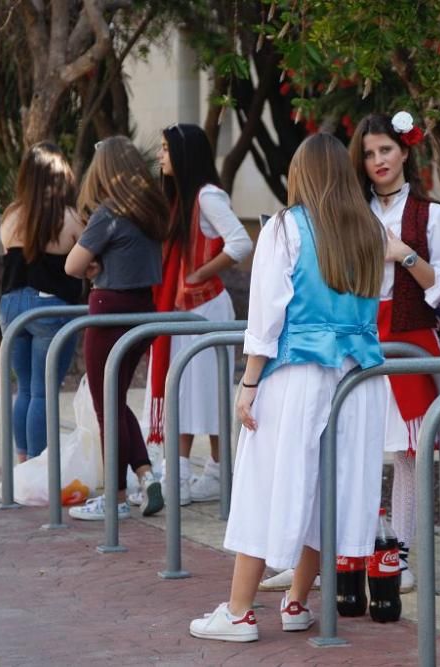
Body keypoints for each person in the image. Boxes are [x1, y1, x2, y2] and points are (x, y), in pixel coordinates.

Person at [189, 133, 387, 643]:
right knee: (328, 487)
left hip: (299, 370)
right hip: (359, 376)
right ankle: (296, 601)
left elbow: (266, 314)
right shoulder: (370, 227)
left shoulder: (285, 227)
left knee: (266, 483)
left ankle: (238, 613)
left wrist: (248, 381)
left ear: (300, 174)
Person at [257, 112, 440, 595]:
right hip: (353, 339)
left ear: (406, 151)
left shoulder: (432, 214)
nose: (378, 161)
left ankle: (398, 554)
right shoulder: (347, 211)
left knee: (407, 452)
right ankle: (324, 554)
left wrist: (404, 253)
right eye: (367, 153)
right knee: (341, 451)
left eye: (386, 149)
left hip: (408, 336)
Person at [138, 123, 253, 508]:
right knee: (188, 391)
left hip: (204, 310)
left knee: (201, 392)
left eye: (167, 150)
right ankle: (197, 473)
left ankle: (197, 475)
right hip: (181, 310)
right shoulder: (177, 200)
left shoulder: (207, 197)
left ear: (185, 155)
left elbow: (240, 241)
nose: (161, 157)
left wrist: (201, 272)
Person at [65, 135, 170, 521]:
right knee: (116, 398)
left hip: (109, 308)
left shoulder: (108, 214)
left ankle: (116, 497)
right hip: (143, 308)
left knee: (103, 402)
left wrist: (92, 266)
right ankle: (145, 475)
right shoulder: (150, 211)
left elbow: (71, 266)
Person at [0, 142, 84, 463]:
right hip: (50, 309)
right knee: (42, 391)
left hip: (10, 306)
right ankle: (39, 466)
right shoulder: (69, 219)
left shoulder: (11, 216)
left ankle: (23, 465)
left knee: (25, 389)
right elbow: (87, 259)